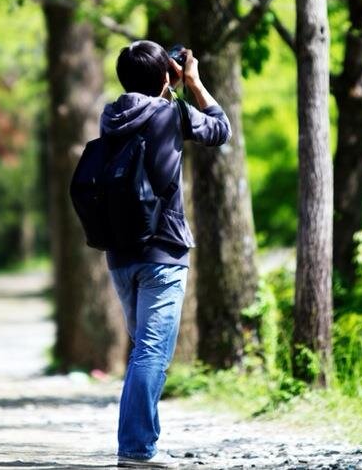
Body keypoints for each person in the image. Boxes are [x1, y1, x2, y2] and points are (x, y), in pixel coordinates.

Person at [100, 41, 231, 468]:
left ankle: (140, 442)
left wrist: (162, 84)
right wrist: (191, 82)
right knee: (152, 352)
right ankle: (137, 448)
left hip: (119, 251)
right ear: (164, 78)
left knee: (144, 349)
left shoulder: (111, 115)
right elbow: (220, 127)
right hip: (163, 248)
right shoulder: (171, 112)